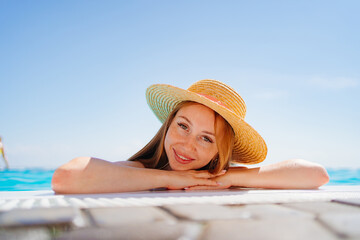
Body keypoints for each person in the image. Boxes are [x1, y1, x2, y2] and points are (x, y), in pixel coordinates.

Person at [52, 79, 329, 194]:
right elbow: (65, 177)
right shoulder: (143, 169)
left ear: (220, 152)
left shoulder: (213, 177)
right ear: (168, 125)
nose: (186, 145)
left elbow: (317, 175)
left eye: (206, 139)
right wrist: (168, 177)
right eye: (183, 127)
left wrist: (230, 177)